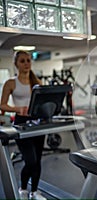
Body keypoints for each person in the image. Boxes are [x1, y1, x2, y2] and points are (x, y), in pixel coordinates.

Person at [0, 50, 46, 200]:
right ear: (16, 64)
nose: (26, 63)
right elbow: (3, 105)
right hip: (20, 123)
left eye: (28, 60)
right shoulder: (11, 83)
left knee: (38, 160)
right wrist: (18, 109)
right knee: (30, 160)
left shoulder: (37, 82)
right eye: (22, 61)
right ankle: (23, 187)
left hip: (37, 122)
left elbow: (42, 103)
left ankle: (35, 191)